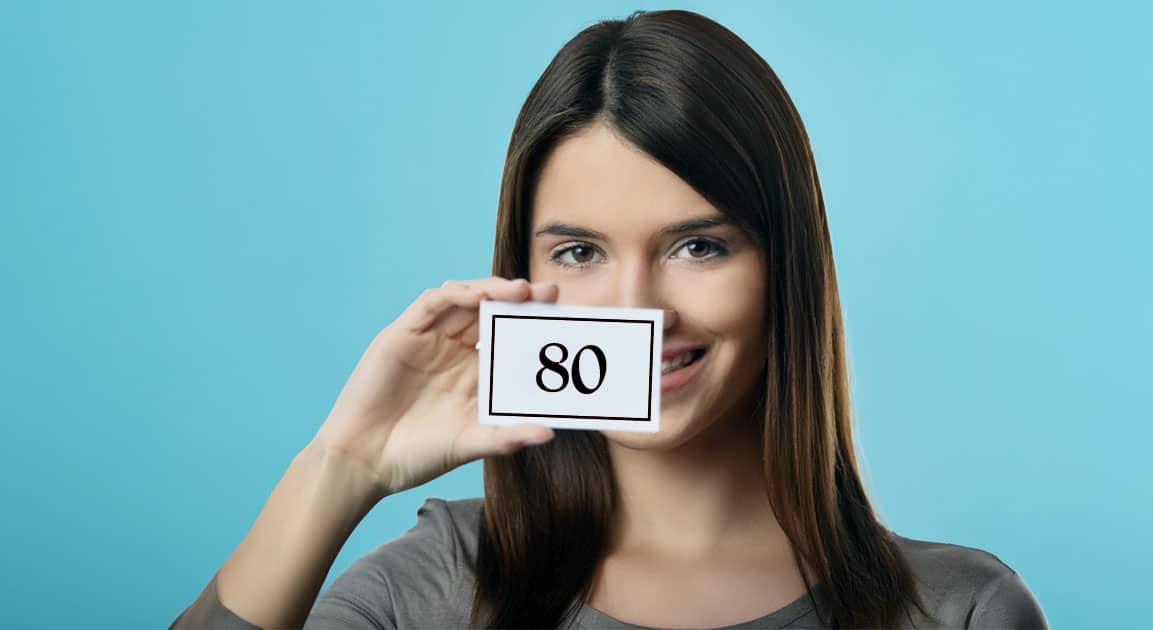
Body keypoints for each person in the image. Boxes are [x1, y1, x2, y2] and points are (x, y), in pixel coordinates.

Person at [171, 9, 1048, 630]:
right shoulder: (433, 589)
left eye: (699, 246)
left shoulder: (959, 610)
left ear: (787, 268)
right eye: (580, 253)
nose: (637, 310)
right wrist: (341, 465)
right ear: (525, 273)